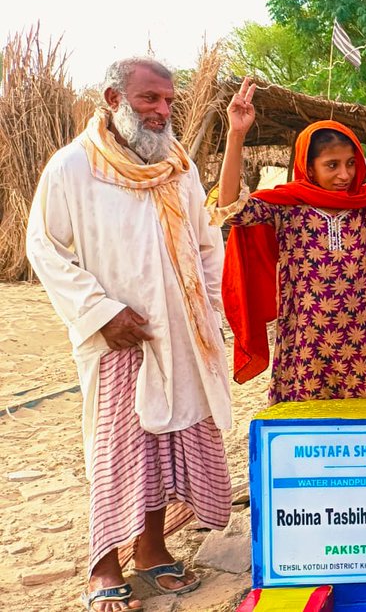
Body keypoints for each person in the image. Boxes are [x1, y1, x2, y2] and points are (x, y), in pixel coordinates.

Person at [26, 57, 233, 612]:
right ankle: (102, 568)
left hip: (181, 334)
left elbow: (206, 245)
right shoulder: (72, 168)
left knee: (165, 444)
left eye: (168, 101)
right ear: (114, 100)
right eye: (149, 100)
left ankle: (152, 552)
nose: (162, 111)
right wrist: (100, 313)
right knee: (113, 447)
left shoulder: (179, 169)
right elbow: (45, 250)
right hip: (117, 337)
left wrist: (208, 311)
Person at [212, 74, 366, 400]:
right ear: (309, 167)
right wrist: (237, 134)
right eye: (332, 165)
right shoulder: (286, 208)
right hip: (308, 346)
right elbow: (231, 210)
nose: (344, 174)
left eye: (351, 163)